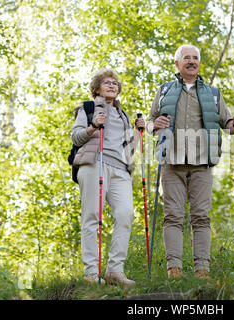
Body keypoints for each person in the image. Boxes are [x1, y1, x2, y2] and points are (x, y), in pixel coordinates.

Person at [146, 44, 234, 279]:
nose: (191, 61)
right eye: (186, 58)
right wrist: (153, 125)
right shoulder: (164, 90)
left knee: (201, 216)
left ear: (199, 63)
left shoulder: (213, 92)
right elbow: (151, 121)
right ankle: (174, 269)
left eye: (195, 58)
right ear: (177, 64)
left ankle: (202, 269)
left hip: (202, 162)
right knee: (173, 215)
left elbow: (226, 122)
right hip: (171, 161)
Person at [71, 69, 145, 286]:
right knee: (92, 217)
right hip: (95, 164)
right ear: (97, 87)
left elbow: (130, 150)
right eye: (107, 82)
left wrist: (139, 134)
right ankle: (92, 274)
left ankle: (115, 270)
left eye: (115, 83)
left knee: (125, 215)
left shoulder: (123, 115)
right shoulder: (88, 108)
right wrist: (93, 126)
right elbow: (76, 137)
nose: (112, 85)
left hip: (121, 168)